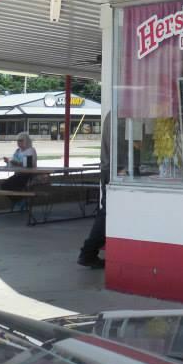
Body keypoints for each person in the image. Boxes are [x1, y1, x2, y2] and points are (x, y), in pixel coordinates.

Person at [77, 113, 110, 269]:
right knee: (107, 214)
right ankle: (88, 253)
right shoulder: (120, 116)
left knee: (107, 213)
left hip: (110, 169)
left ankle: (88, 252)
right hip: (115, 171)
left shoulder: (113, 115)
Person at [0, 132, 37, 198]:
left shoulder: (31, 150)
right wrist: (8, 162)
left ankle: (20, 200)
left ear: (26, 141)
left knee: (7, 185)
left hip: (27, 175)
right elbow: (13, 163)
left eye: (21, 141)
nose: (19, 142)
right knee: (4, 185)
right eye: (18, 141)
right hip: (18, 174)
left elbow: (29, 165)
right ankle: (19, 200)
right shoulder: (18, 151)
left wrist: (17, 163)